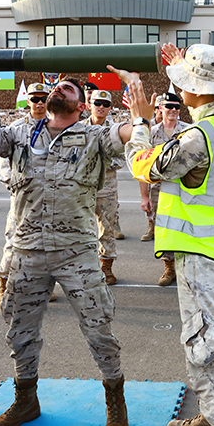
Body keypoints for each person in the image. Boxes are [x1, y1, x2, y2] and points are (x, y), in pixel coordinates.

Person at [0, 65, 132, 426]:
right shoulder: (19, 134)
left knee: (99, 328)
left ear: (81, 106)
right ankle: (26, 400)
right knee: (20, 329)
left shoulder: (95, 136)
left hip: (77, 252)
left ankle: (115, 401)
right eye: (57, 86)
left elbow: (133, 132)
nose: (59, 89)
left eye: (68, 89)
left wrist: (135, 91)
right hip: (27, 250)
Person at [115, 43, 214, 426]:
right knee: (208, 340)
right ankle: (212, 415)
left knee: (205, 347)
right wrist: (180, 64)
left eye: (183, 85)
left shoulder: (198, 137)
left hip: (198, 255)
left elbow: (144, 166)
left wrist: (139, 122)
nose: (179, 93)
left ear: (197, 91)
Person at [0, 83, 49, 308]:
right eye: (34, 99)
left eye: (43, 99)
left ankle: (41, 286)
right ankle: (4, 285)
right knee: (14, 243)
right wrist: (14, 186)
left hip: (48, 199)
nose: (39, 103)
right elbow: (4, 164)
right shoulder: (15, 129)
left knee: (46, 244)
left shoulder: (57, 129)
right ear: (28, 101)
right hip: (22, 199)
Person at [138, 92, 190, 286]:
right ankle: (169, 268)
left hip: (184, 187)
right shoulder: (152, 133)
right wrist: (144, 196)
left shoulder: (189, 131)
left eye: (177, 106)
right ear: (160, 109)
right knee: (163, 228)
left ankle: (185, 267)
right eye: (169, 106)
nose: (174, 110)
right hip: (159, 188)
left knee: (184, 227)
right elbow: (144, 164)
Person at [86, 89, 126, 285]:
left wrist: (100, 161)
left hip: (107, 188)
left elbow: (121, 158)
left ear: (110, 108)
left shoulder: (115, 131)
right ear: (89, 105)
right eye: (97, 103)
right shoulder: (79, 128)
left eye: (105, 104)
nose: (101, 107)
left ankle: (106, 266)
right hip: (83, 187)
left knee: (107, 229)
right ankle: (84, 267)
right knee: (81, 230)